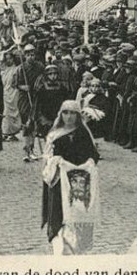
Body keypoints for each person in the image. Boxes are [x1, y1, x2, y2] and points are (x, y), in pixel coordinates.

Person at [42, 100, 100, 255]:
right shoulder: (55, 134)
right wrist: (55, 161)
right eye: (65, 113)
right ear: (61, 114)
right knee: (59, 212)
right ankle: (60, 246)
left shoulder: (83, 133)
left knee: (79, 211)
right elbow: (47, 156)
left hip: (80, 179)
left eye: (72, 113)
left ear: (77, 115)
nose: (69, 117)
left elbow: (93, 153)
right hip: (60, 180)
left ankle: (77, 246)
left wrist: (90, 161)